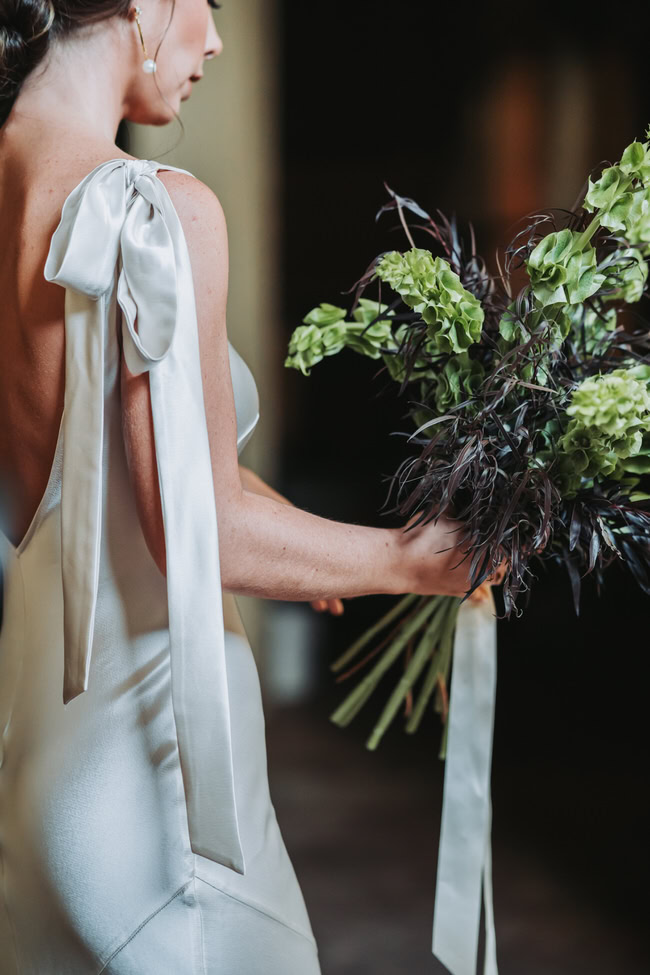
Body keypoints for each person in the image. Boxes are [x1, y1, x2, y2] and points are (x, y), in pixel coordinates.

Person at [0, 1, 504, 971]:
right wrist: (413, 560)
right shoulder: (152, 209)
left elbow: (102, 467)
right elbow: (197, 531)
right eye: (208, 4)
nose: (216, 41)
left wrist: (293, 529)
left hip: (42, 775)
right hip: (161, 799)